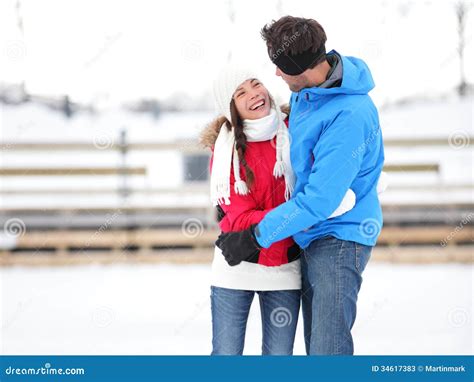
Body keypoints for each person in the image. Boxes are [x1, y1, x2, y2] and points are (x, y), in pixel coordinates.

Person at [216, 16, 386, 355]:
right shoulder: (307, 95)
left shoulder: (347, 114)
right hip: (310, 234)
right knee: (315, 349)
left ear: (301, 68)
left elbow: (318, 201)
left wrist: (254, 236)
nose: (275, 75)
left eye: (280, 66)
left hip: (338, 238)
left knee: (326, 351)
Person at [201, 65, 357, 355]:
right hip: (236, 265)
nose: (254, 94)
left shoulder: (296, 130)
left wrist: (316, 204)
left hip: (285, 268)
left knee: (278, 359)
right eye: (240, 93)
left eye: (255, 83)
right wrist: (302, 213)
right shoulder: (224, 151)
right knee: (225, 356)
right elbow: (241, 218)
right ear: (230, 106)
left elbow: (324, 176)